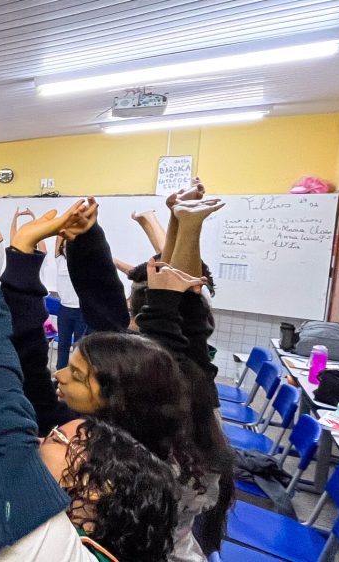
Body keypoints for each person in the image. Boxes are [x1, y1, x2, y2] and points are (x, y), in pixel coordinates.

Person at [0, 208, 180, 562]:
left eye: (77, 375)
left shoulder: (51, 531)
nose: (59, 374)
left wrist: (10, 270)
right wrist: (87, 243)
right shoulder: (101, 452)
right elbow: (91, 335)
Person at [55, 196, 234, 561]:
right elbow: (185, 314)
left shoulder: (139, 452)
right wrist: (182, 224)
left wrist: (178, 226)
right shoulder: (190, 394)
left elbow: (168, 329)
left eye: (134, 321)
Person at [52, 236, 85, 370]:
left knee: (79, 347)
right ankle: (60, 375)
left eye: (70, 246)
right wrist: (63, 229)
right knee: (63, 345)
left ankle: (76, 374)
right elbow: (58, 241)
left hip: (81, 311)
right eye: (64, 246)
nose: (67, 249)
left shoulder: (84, 262)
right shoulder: (60, 261)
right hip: (65, 310)